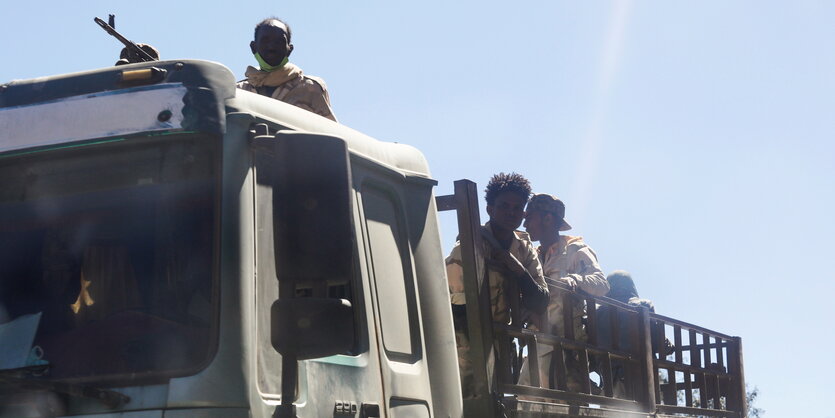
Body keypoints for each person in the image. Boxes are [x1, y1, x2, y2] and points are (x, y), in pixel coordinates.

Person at [445, 172, 549, 398]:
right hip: (465, 346)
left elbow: (541, 299)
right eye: (504, 206)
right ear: (490, 209)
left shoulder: (523, 249)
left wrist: (518, 270)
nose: (511, 212)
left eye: (517, 208)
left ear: (523, 213)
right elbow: (457, 308)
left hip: (502, 341)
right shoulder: (467, 246)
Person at [519, 193, 609, 392]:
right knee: (527, 404)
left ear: (548, 219)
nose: (525, 225)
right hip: (539, 342)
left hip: (567, 348)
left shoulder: (575, 250)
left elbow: (601, 284)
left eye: (530, 218)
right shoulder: (534, 256)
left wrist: (575, 280)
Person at [237, 18, 337, 121]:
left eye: (279, 41)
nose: (271, 47)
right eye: (265, 41)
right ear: (254, 47)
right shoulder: (238, 91)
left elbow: (332, 132)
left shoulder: (310, 88)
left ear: (289, 49)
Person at [596, 270, 674, 398]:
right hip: (641, 379)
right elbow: (659, 343)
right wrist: (669, 345)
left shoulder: (598, 313)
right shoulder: (643, 305)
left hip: (609, 380)